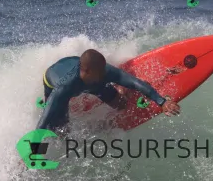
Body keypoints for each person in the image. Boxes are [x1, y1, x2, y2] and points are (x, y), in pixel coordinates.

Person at [36, 49, 181, 133]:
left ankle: (121, 88)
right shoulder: (64, 87)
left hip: (85, 76)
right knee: (60, 129)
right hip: (53, 80)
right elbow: (44, 120)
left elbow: (134, 82)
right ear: (87, 71)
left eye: (104, 69)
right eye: (100, 71)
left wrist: (162, 102)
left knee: (122, 104)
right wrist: (32, 147)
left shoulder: (101, 72)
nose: (105, 74)